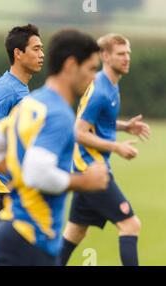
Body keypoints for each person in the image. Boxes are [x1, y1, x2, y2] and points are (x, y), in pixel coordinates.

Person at [0, 29, 108, 266]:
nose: (95, 77)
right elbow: (38, 171)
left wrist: (17, 174)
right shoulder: (58, 114)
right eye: (91, 68)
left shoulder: (34, 101)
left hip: (13, 233)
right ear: (70, 66)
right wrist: (84, 182)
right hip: (30, 241)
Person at [61, 33, 151, 266]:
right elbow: (78, 132)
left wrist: (125, 127)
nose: (127, 58)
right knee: (131, 225)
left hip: (88, 169)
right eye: (121, 54)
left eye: (128, 53)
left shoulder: (111, 85)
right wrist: (117, 147)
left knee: (75, 233)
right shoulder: (99, 90)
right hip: (91, 171)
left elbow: (99, 124)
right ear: (105, 56)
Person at [0, 24, 44, 231]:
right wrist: (12, 174)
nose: (41, 54)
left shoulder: (19, 87)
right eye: (36, 49)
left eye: (41, 49)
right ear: (18, 53)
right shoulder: (6, 89)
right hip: (1, 187)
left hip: (14, 186)